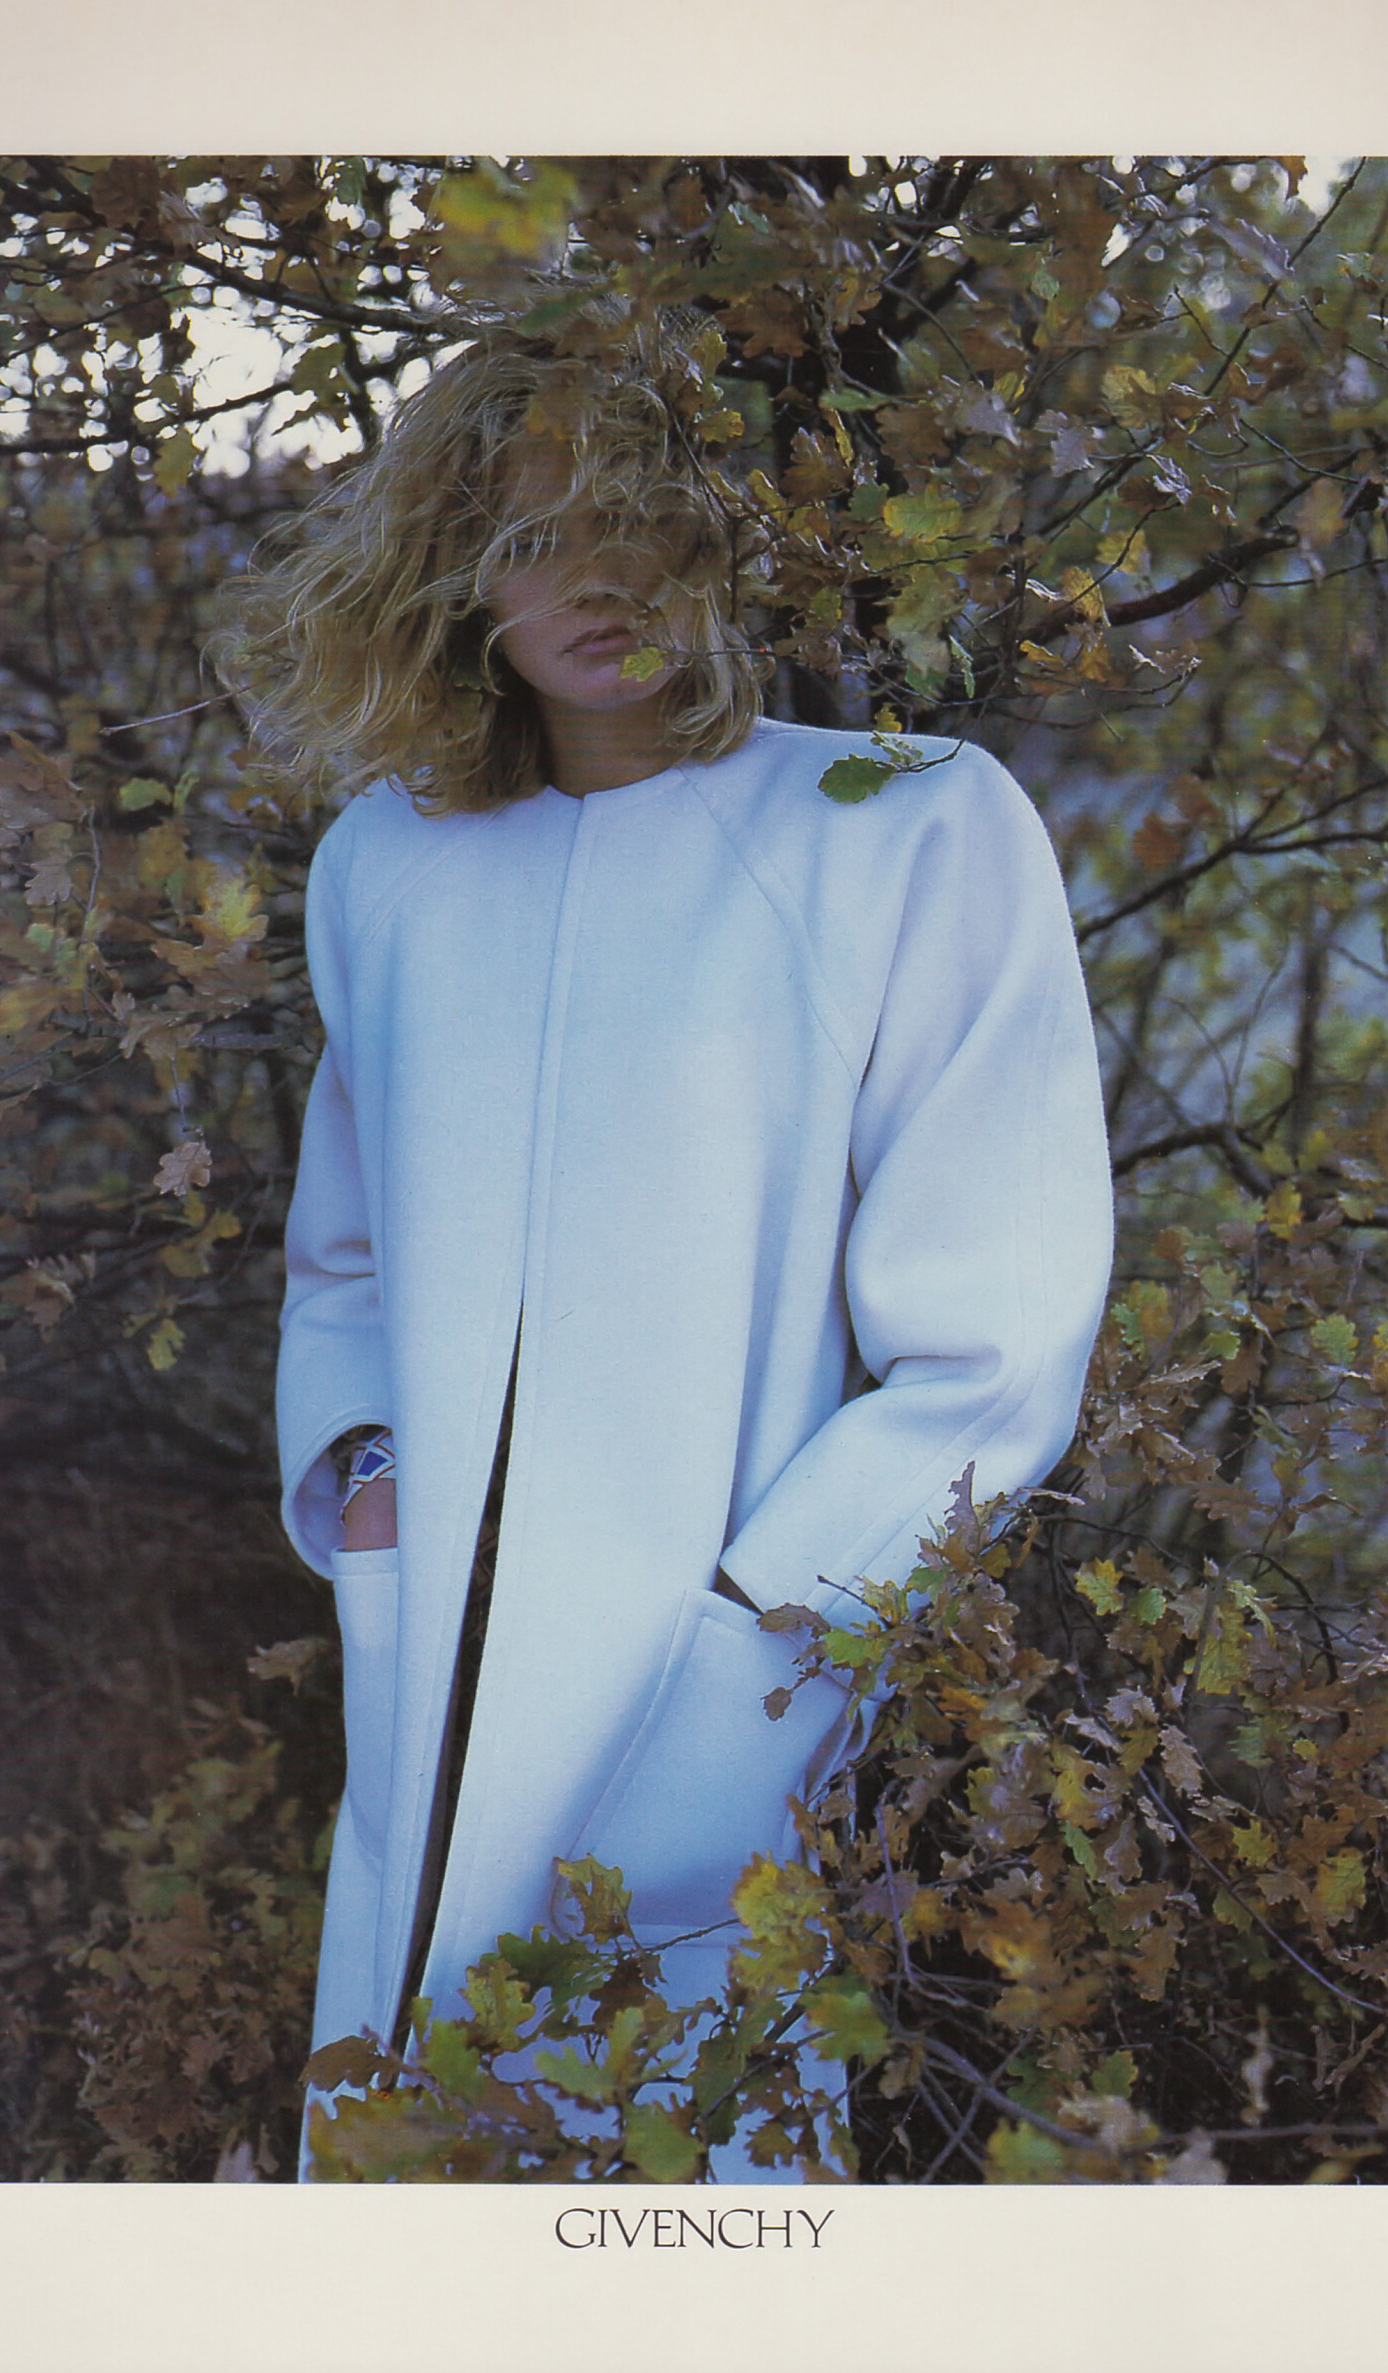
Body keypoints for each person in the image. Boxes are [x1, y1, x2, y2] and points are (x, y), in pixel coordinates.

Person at [213, 321, 1114, 2180]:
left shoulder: (906, 824)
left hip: (715, 1674)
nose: (597, 578)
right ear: (456, 574)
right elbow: (348, 1258)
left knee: (682, 2182)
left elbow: (996, 1345)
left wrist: (763, 1637)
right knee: (401, 2182)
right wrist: (368, 1479)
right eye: (532, 536)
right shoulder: (388, 862)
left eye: (639, 518)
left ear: (725, 533)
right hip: (431, 1653)